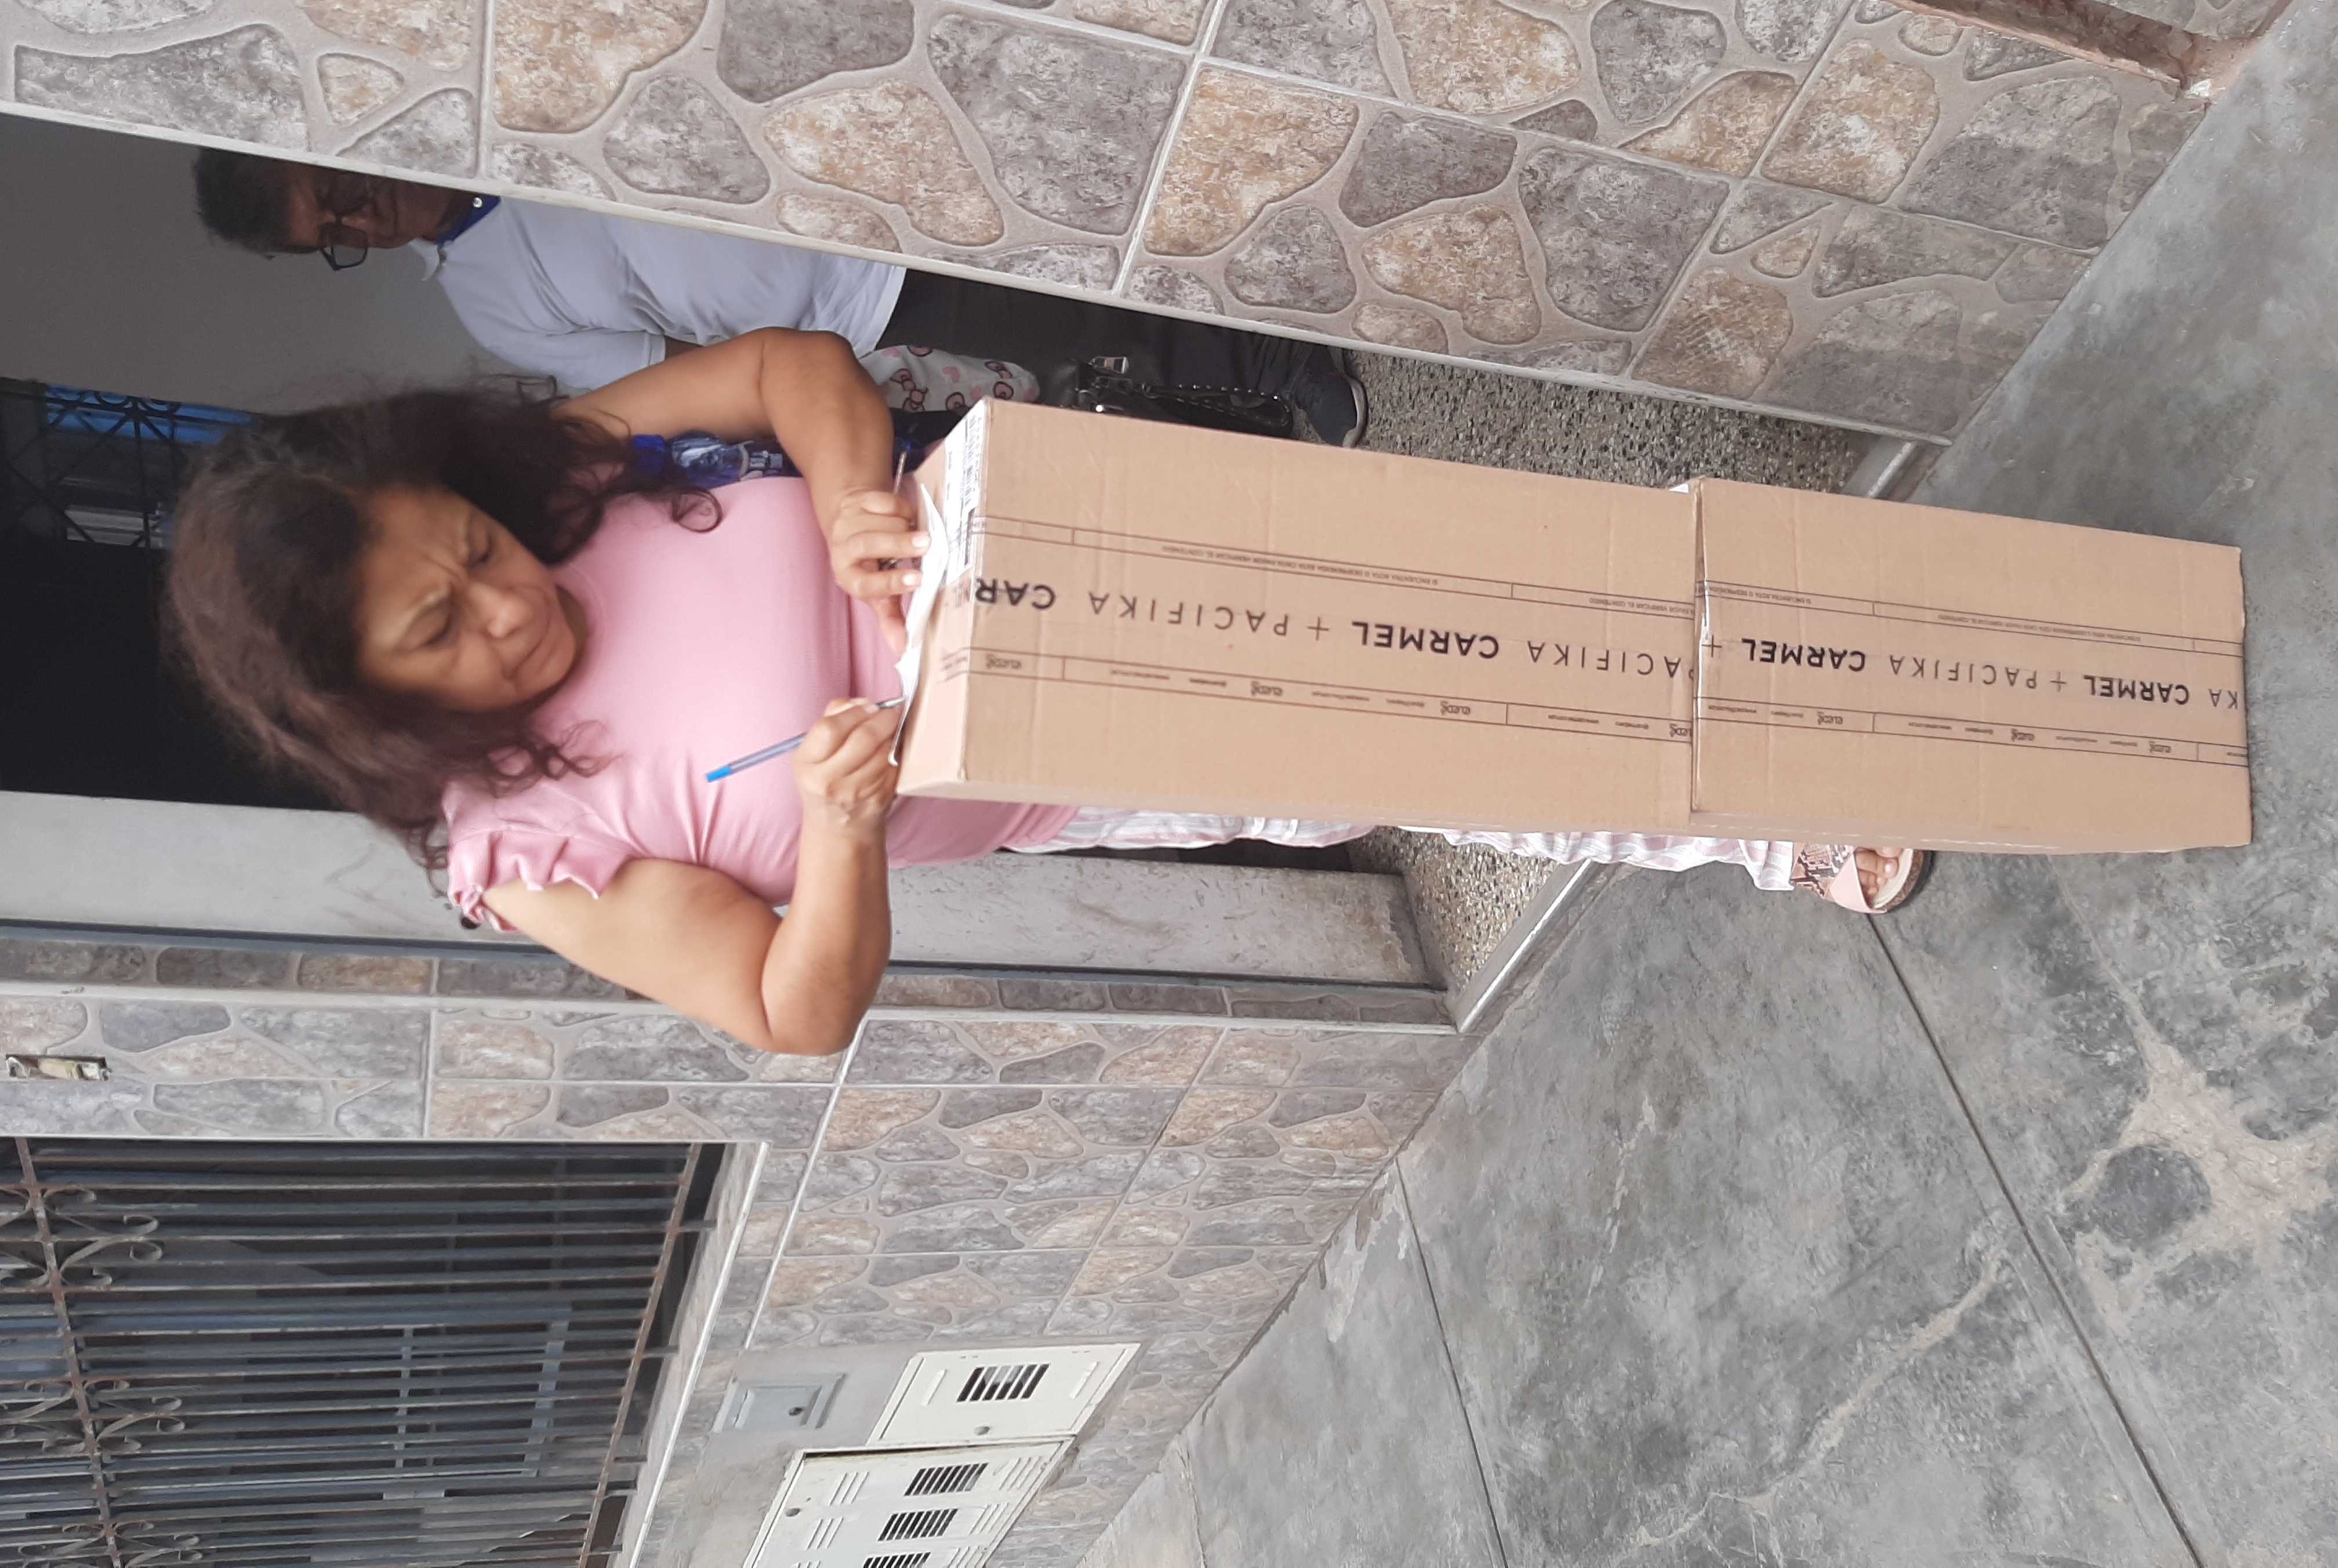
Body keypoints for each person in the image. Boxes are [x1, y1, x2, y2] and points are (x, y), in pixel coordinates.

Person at [165, 329, 1930, 1058]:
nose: (508, 601)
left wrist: (849, 497)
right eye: (442, 627)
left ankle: (1762, 621)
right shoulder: (527, 853)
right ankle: (1763, 827)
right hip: (1077, 748)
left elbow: (793, 368)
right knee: (1415, 743)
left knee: (1434, 578)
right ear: (367, 705)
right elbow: (788, 1008)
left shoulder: (558, 476)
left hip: (1079, 540)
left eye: (476, 549)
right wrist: (840, 830)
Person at [188, 153, 1368, 447]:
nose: (360, 219)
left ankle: (1285, 295)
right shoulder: (493, 306)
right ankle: (1285, 377)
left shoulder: (511, 114)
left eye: (337, 192)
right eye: (332, 234)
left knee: (1084, 225)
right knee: (1080, 347)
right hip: (860, 310)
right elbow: (671, 380)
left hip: (859, 180)